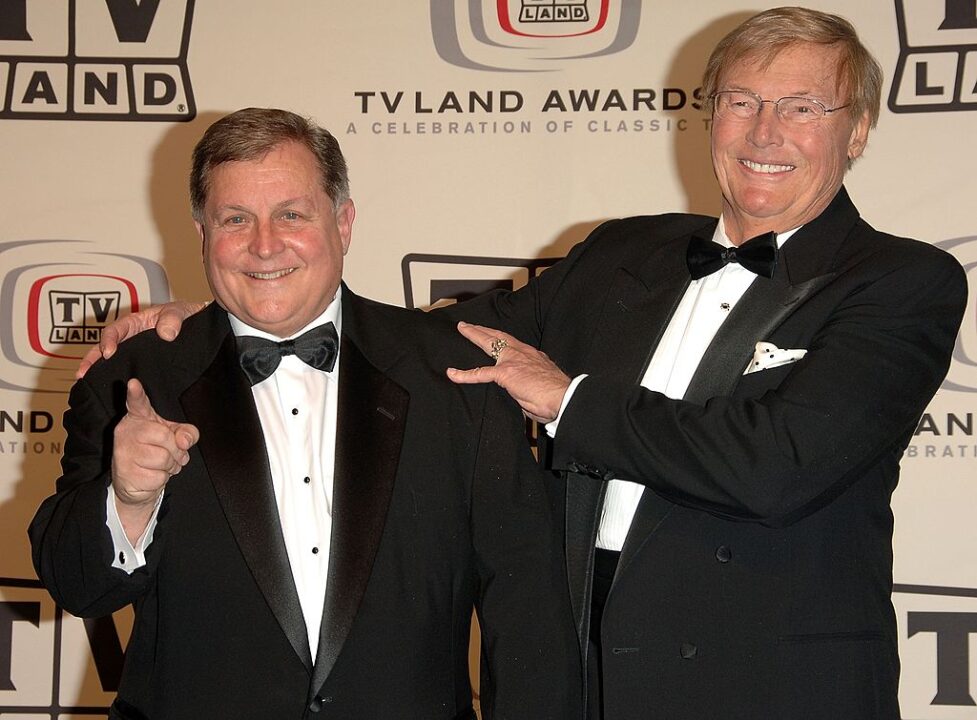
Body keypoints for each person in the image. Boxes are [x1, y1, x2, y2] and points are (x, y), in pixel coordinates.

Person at [79, 8, 969, 720]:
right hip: (586, 677)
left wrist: (569, 399)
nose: (764, 129)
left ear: (854, 132)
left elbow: (780, 463)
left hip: (765, 685)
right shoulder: (622, 255)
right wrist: (245, 306)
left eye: (802, 107)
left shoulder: (900, 282)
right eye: (740, 100)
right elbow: (424, 342)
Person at [30, 108, 579, 719]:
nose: (264, 245)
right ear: (202, 234)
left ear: (343, 223)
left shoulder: (456, 374)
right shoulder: (133, 377)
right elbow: (76, 586)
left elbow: (526, 604)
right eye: (235, 219)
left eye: (292, 214)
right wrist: (126, 499)